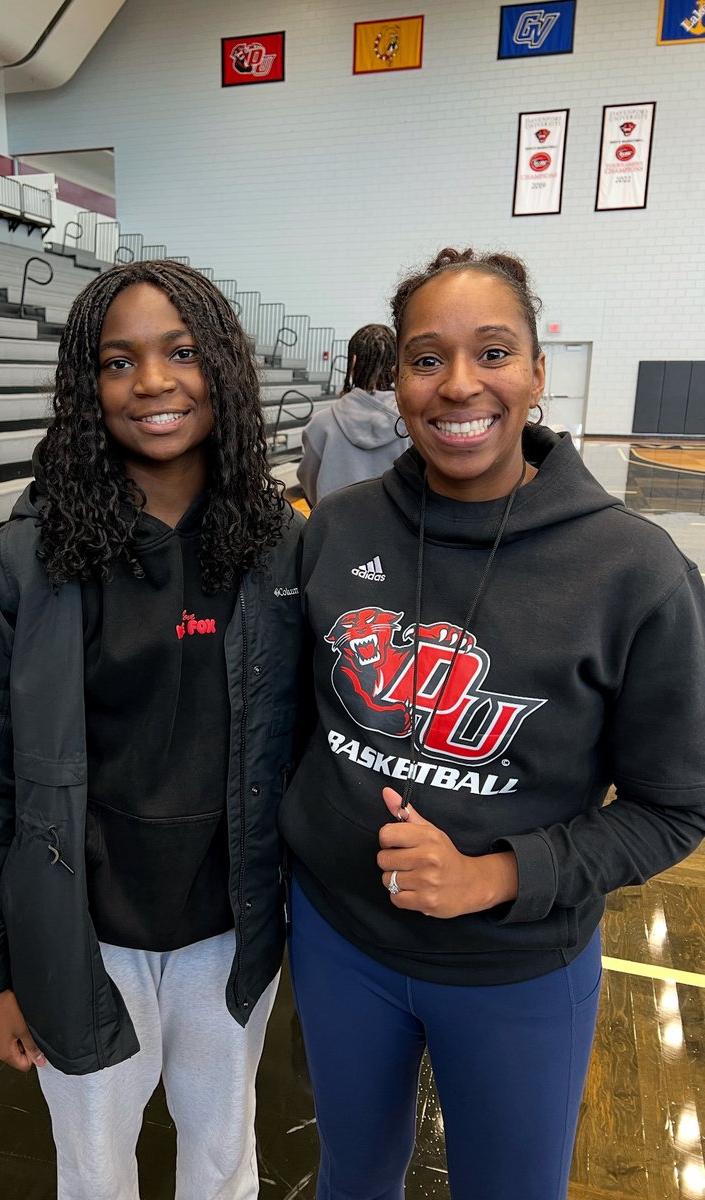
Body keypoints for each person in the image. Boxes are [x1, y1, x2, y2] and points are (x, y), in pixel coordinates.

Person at [279, 247, 705, 1200]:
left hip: (517, 969)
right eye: (427, 359)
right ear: (397, 382)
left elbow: (675, 807)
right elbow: (294, 725)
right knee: (352, 1177)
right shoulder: (338, 530)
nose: (459, 384)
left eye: (494, 352)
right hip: (340, 941)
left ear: (538, 372)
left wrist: (498, 875)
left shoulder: (634, 572)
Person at [0, 260, 304, 1200]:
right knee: (94, 1176)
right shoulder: (28, 559)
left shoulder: (278, 548)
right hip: (81, 938)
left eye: (181, 352)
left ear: (221, 366)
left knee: (223, 1165)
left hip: (230, 935)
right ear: (86, 386)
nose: (152, 382)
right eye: (118, 361)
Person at [297, 323, 404, 506]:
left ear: (352, 363)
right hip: (398, 532)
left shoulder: (321, 424)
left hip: (334, 530)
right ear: (396, 367)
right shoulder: (413, 425)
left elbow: (309, 484)